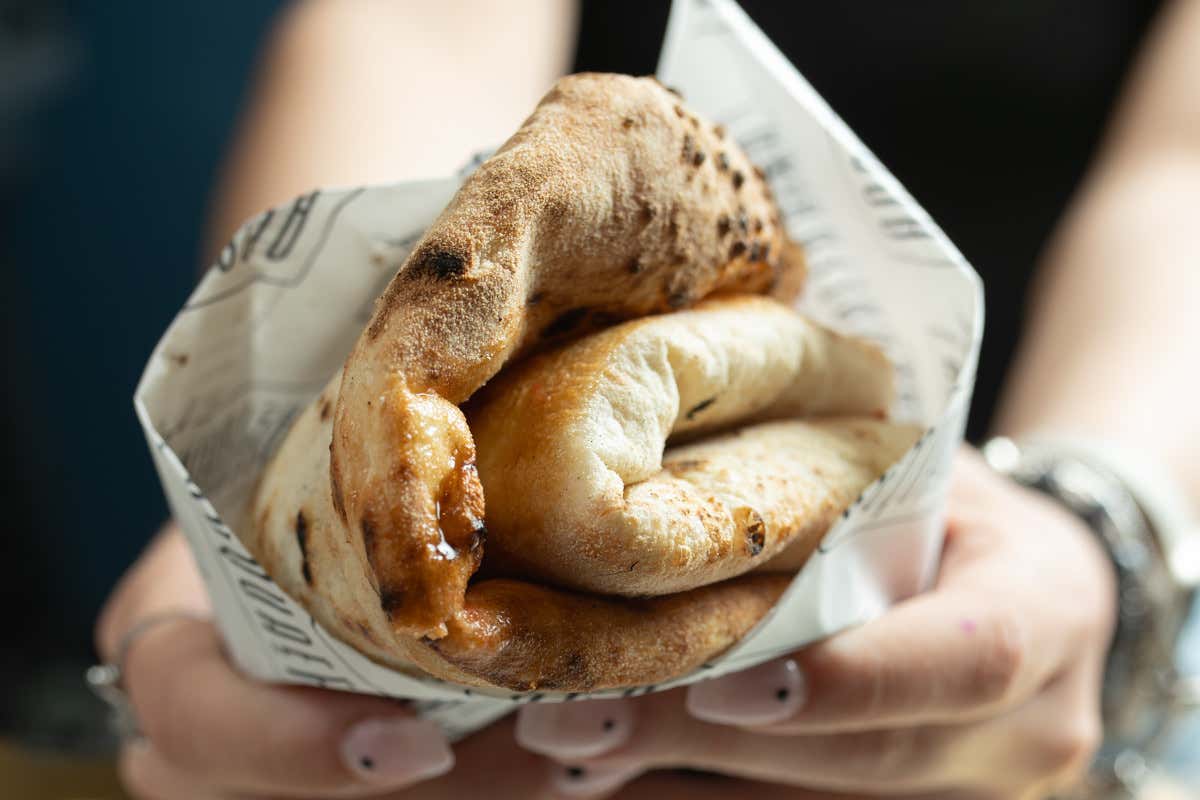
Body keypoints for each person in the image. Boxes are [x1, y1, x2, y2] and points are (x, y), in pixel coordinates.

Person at [96, 0, 1200, 797]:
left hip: (1044, 575)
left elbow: (1180, 170)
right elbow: (417, 30)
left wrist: (1094, 521)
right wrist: (276, 504)